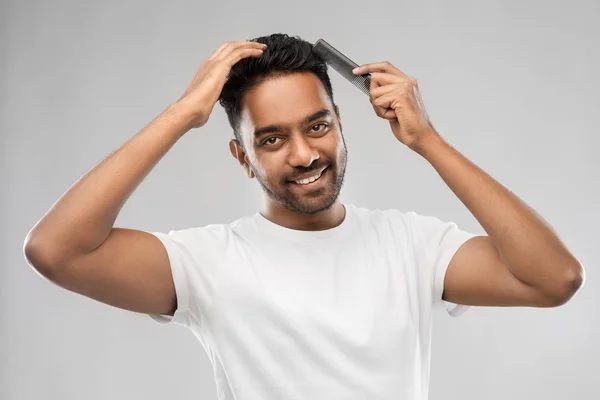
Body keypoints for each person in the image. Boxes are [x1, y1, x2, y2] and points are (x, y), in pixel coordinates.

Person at [23, 33, 585, 400]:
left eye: (317, 126)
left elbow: (554, 278)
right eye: (271, 139)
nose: (304, 154)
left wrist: (428, 140)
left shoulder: (412, 245)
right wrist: (183, 113)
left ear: (340, 122)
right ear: (241, 157)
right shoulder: (207, 262)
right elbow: (56, 250)